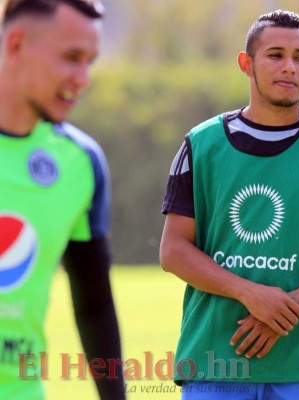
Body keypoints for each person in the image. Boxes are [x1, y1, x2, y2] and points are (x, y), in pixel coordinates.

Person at [160, 9, 299, 400]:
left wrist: (286, 309)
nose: (289, 67)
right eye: (275, 54)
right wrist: (250, 294)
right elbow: (173, 251)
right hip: (215, 360)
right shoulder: (201, 144)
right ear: (247, 64)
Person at [0, 1, 125, 399]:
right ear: (17, 44)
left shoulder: (80, 163)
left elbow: (94, 306)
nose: (83, 78)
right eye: (71, 58)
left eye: (90, 61)